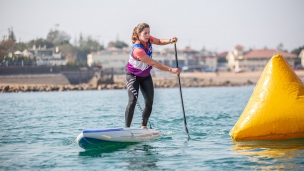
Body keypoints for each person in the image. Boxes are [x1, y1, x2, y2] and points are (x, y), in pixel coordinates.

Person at [125, 22, 180, 129]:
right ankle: (127, 129)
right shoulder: (138, 50)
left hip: (145, 76)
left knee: (149, 102)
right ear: (138, 34)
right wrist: (171, 70)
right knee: (132, 101)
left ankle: (143, 126)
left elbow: (159, 41)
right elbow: (154, 63)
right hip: (133, 76)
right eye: (145, 33)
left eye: (149, 33)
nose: (147, 35)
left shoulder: (149, 39)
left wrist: (170, 41)